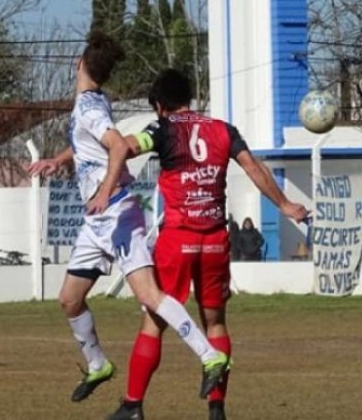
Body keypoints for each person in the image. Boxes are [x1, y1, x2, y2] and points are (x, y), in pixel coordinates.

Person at [28, 32, 229, 405]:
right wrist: (59, 159)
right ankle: (98, 364)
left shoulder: (90, 106)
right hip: (98, 221)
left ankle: (210, 355)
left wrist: (105, 190)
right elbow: (91, 143)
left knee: (151, 296)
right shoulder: (94, 102)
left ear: (78, 63)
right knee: (70, 300)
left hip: (116, 211)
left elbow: (118, 144)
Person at [108, 68, 309, 420]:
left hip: (179, 238)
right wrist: (285, 205)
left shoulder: (161, 128)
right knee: (215, 323)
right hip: (216, 240)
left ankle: (133, 405)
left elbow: (126, 147)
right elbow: (254, 168)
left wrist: (103, 143)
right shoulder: (223, 130)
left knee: (155, 321)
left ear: (159, 106)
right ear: (189, 98)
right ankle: (217, 409)